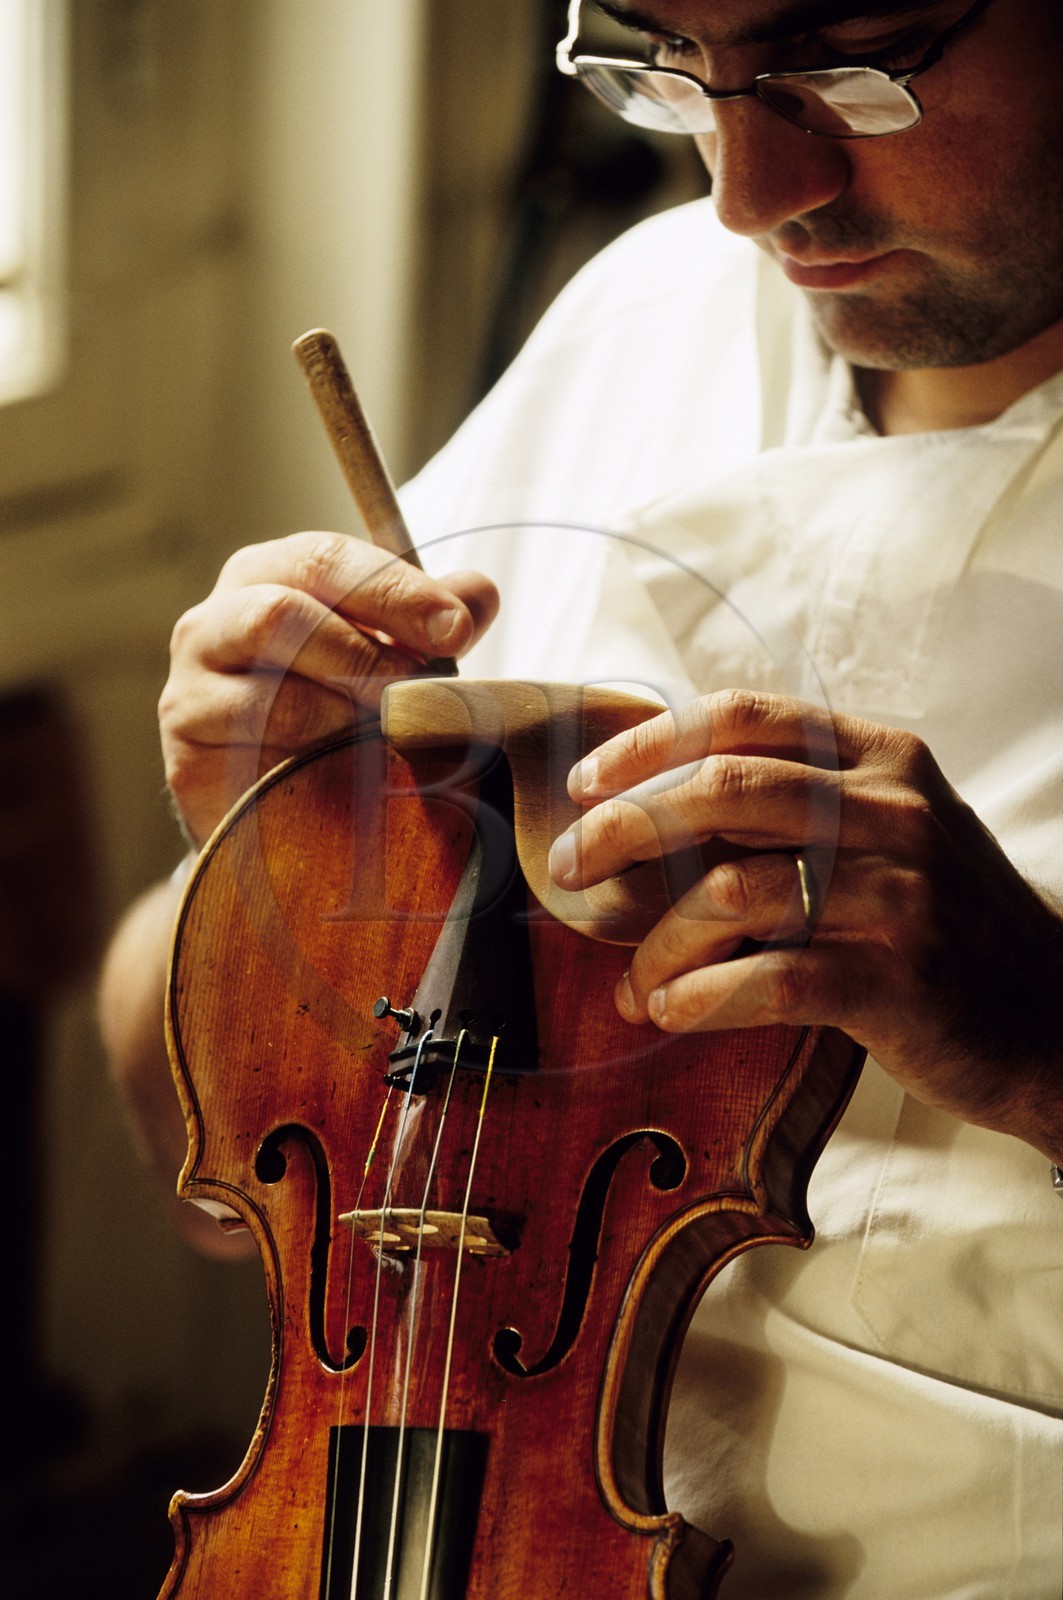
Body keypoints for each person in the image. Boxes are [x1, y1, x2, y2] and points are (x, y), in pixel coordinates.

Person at [101, 0, 1063, 1592]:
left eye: (850, 64)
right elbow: (194, 1158)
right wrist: (248, 879)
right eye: (661, 64)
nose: (748, 194)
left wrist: (1041, 1040)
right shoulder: (660, 306)